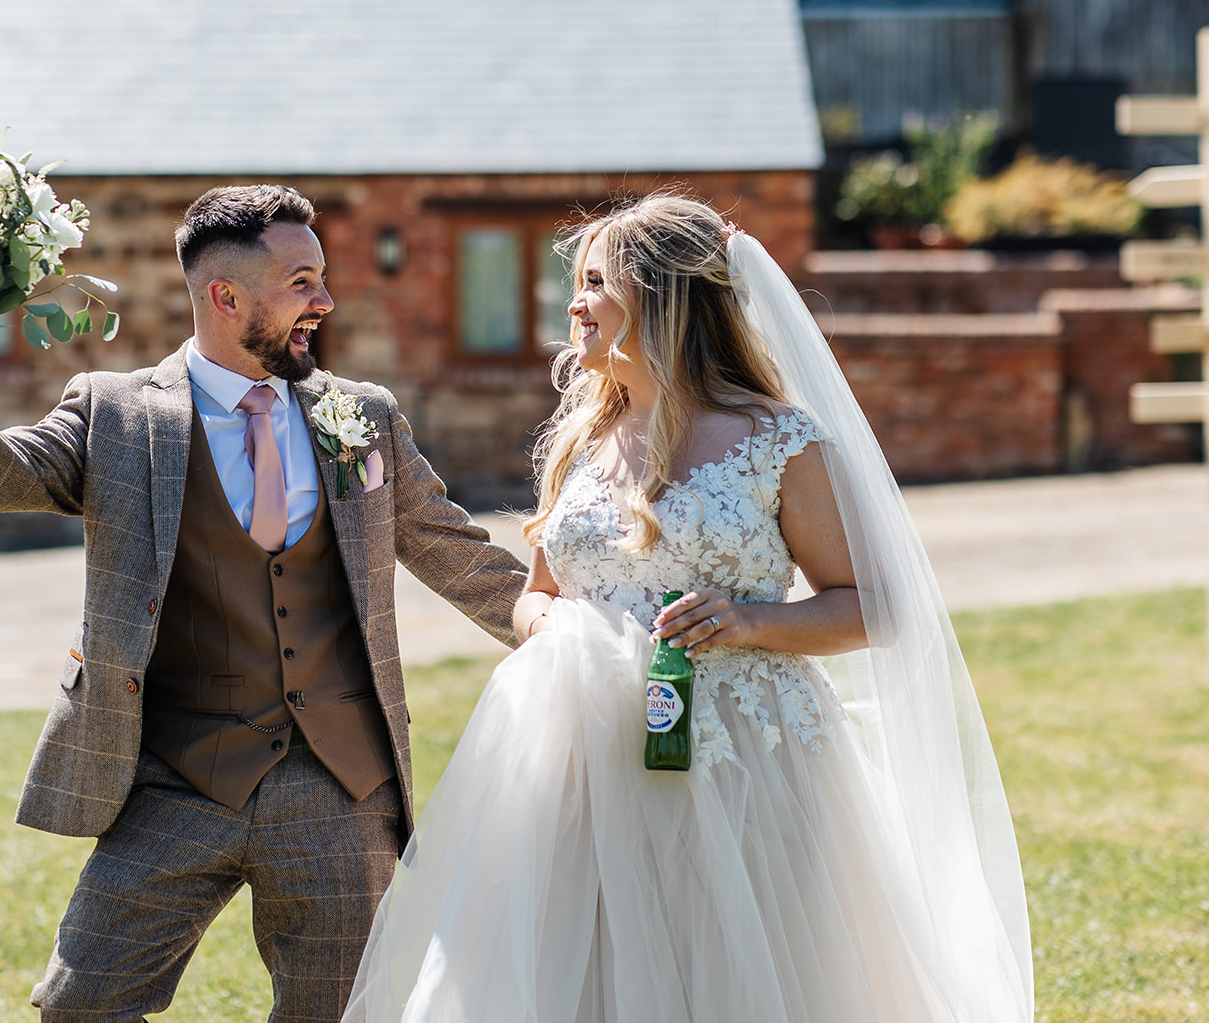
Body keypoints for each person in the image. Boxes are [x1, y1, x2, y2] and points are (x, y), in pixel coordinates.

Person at [341, 194, 1034, 1022]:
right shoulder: (580, 441)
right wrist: (549, 628)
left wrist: (750, 622)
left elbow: (876, 605)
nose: (572, 303)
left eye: (594, 282)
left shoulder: (778, 438)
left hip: (744, 758)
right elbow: (536, 596)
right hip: (578, 765)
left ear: (658, 297)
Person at [0, 184, 528, 1023]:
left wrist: (574, 627)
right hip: (175, 778)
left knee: (337, 1013)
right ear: (226, 296)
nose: (325, 302)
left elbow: (456, 551)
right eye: (302, 282)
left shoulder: (361, 417)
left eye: (322, 279)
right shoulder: (116, 414)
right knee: (79, 1004)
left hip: (339, 786)